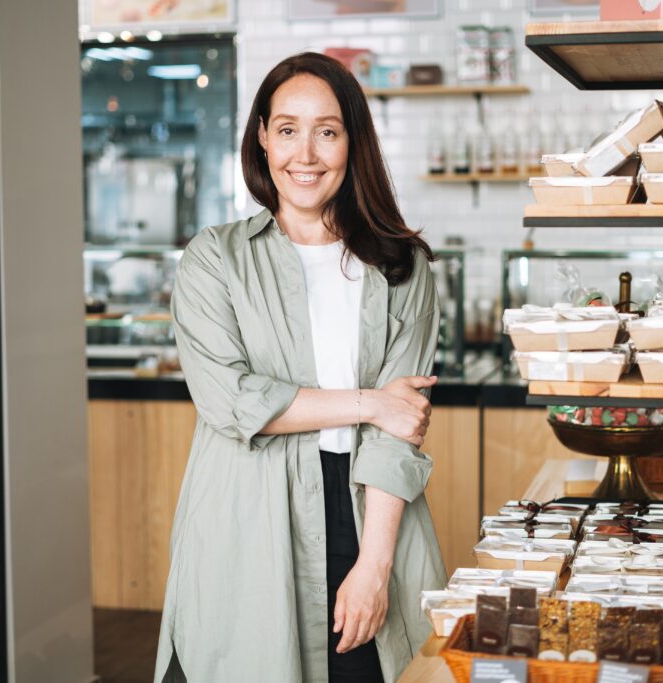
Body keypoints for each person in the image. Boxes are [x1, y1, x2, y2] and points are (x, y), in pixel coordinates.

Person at [154, 51, 447, 683]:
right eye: (287, 129)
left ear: (353, 141)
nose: (305, 154)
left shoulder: (404, 266)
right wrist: (369, 400)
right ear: (262, 138)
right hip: (244, 515)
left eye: (327, 131)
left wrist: (372, 568)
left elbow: (400, 433)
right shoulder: (214, 260)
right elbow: (231, 400)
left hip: (369, 515)